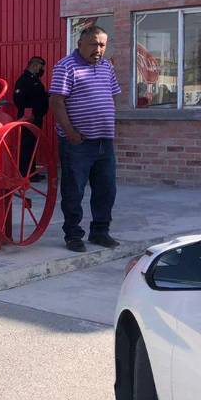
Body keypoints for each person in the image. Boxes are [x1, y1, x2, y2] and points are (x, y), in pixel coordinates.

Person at [50, 26, 123, 253]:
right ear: (80, 43)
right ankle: (73, 235)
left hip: (104, 141)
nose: (98, 49)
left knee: (106, 189)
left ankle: (100, 231)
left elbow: (109, 96)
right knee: (74, 191)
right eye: (93, 44)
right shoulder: (65, 66)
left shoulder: (106, 67)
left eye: (102, 44)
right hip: (77, 143)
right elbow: (56, 101)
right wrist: (70, 132)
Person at [13, 56, 49, 179]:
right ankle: (25, 173)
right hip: (29, 118)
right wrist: (28, 113)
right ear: (34, 65)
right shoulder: (24, 80)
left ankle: (31, 171)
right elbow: (18, 99)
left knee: (32, 145)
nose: (42, 69)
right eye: (41, 66)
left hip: (37, 117)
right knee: (27, 145)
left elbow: (39, 96)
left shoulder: (35, 80)